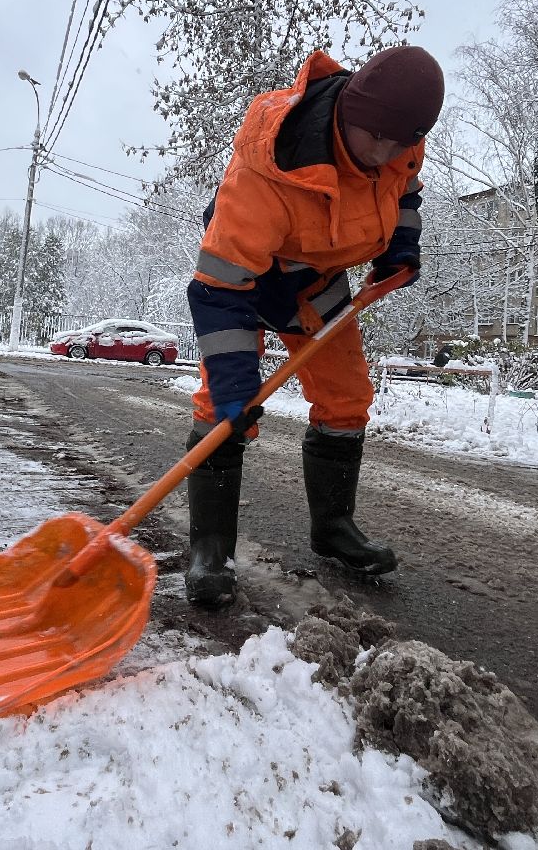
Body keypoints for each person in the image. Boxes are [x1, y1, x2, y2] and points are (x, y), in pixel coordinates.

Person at [184, 45, 445, 609]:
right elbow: (217, 288)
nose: (382, 153)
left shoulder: (400, 144)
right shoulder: (270, 162)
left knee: (347, 399)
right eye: (371, 136)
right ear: (347, 110)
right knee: (222, 406)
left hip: (313, 280)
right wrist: (234, 386)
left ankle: (333, 528)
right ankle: (211, 548)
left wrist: (402, 245)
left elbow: (405, 190)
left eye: (397, 143)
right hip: (246, 279)